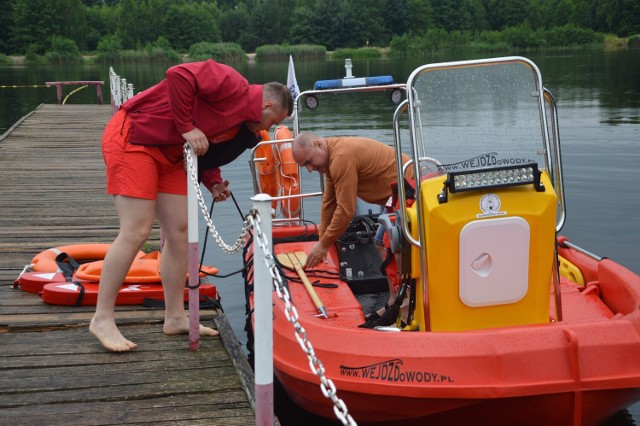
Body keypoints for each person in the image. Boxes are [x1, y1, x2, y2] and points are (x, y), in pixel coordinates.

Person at [90, 59, 293, 352]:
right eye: (274, 123)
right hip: (134, 138)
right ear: (268, 107)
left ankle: (174, 316)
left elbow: (205, 148)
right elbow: (178, 74)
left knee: (182, 230)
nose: (269, 129)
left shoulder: (241, 129)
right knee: (137, 229)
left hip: (171, 157)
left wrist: (213, 182)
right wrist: (186, 127)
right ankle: (102, 318)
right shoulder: (231, 83)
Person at [291, 132, 413, 324]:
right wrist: (323, 242)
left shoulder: (340, 157)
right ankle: (393, 300)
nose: (309, 169)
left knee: (397, 247)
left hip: (409, 187)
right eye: (304, 166)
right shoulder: (332, 158)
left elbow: (345, 210)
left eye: (309, 161)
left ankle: (407, 307)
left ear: (317, 144)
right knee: (380, 241)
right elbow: (329, 203)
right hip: (396, 195)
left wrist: (324, 245)